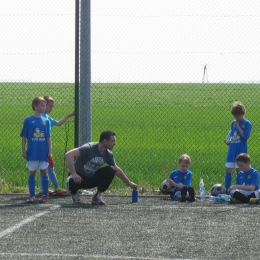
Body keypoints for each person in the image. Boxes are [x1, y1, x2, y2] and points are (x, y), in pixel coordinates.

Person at [65, 130, 138, 205]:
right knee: (72, 180)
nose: (114, 143)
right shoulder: (89, 148)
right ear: (105, 141)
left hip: (91, 179)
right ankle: (74, 195)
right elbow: (68, 155)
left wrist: (129, 183)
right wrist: (74, 173)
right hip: (78, 179)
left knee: (111, 170)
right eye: (112, 141)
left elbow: (117, 169)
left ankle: (97, 196)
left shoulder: (108, 154)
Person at [39, 95, 75, 195]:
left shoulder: (46, 117)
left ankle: (43, 188)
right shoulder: (41, 118)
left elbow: (58, 123)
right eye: (50, 106)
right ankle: (56, 188)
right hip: (44, 147)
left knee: (45, 168)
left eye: (52, 106)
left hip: (46, 147)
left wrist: (69, 115)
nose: (51, 108)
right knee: (49, 168)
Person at [20, 97, 51, 203]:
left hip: (43, 152)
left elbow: (48, 137)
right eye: (42, 105)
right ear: (35, 106)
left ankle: (44, 195)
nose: (44, 107)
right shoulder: (28, 120)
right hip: (32, 152)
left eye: (45, 105)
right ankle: (32, 195)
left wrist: (50, 151)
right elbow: (24, 136)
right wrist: (23, 150)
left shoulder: (46, 121)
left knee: (44, 172)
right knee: (32, 173)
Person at [224, 101, 252, 190]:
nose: (236, 118)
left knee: (239, 170)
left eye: (238, 116)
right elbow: (231, 133)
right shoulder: (233, 123)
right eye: (235, 116)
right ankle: (227, 189)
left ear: (243, 113)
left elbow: (245, 136)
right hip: (232, 149)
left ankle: (237, 189)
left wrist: (239, 126)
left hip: (241, 150)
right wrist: (228, 140)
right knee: (228, 168)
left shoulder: (247, 123)